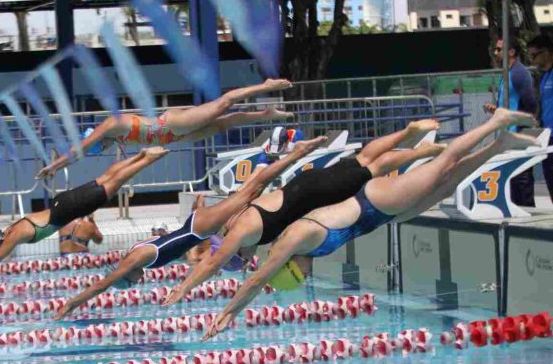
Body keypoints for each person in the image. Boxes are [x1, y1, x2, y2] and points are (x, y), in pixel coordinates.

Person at [202, 109, 539, 340]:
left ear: (291, 268)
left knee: (445, 164)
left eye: (300, 276)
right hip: (382, 216)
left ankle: (495, 122)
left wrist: (230, 311)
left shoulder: (294, 239)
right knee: (449, 184)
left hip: (375, 202)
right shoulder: (307, 249)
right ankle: (500, 145)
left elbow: (259, 278)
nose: (307, 275)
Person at [161, 119, 444, 306]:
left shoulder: (243, 233)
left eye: (244, 261)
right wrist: (293, 155)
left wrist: (183, 289)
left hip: (317, 194)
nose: (249, 260)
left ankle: (422, 151)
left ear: (238, 253)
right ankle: (410, 136)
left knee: (372, 167)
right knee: (363, 159)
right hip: (303, 184)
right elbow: (255, 183)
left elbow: (211, 263)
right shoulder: (236, 215)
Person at [53, 136, 329, 320]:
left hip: (198, 229)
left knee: (249, 192)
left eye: (130, 282)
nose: (137, 283)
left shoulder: (135, 260)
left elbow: (103, 284)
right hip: (196, 227)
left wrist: (73, 303)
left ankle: (296, 152)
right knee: (248, 193)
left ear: (128, 276)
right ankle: (270, 156)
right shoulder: (139, 257)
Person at [0, 147, 169, 285]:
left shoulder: (12, 235)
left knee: (113, 183)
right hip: (62, 203)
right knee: (106, 178)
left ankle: (147, 159)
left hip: (67, 209)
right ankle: (141, 155)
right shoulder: (13, 229)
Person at [36, 79, 294, 178]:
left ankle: (264, 86)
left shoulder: (109, 125)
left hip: (170, 124)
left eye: (97, 146)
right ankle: (266, 114)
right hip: (175, 136)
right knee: (225, 123)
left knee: (222, 104)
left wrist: (54, 166)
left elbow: (79, 149)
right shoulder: (116, 139)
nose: (99, 146)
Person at [484, 36, 538, 207]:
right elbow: (509, 103)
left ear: (511, 52)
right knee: (513, 177)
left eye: (499, 49)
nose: (496, 52)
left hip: (517, 133)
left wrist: (522, 124)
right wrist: (496, 110)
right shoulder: (508, 72)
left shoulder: (519, 73)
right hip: (508, 134)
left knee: (521, 178)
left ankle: (527, 211)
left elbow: (530, 103)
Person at [526, 33, 553, 202]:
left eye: (534, 55)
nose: (532, 60)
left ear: (547, 52)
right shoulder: (544, 77)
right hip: (548, 137)